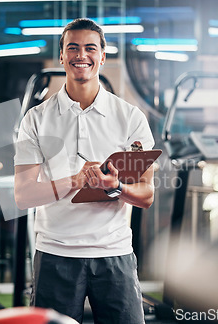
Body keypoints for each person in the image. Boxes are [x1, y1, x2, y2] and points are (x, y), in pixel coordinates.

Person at [14, 18, 155, 324]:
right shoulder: (36, 120)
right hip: (56, 255)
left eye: (91, 48)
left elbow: (146, 195)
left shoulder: (130, 118)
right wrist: (76, 180)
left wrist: (115, 186)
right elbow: (23, 195)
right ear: (62, 55)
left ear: (103, 56)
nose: (82, 55)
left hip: (114, 253)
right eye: (73, 48)